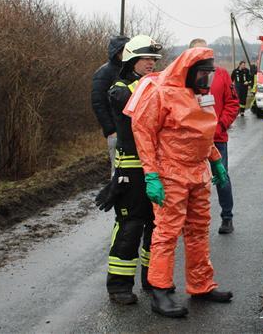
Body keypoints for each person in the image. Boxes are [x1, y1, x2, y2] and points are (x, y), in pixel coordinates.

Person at [130, 46, 233, 318]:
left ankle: (201, 285)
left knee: (199, 230)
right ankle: (160, 291)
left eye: (209, 74)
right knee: (166, 233)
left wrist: (215, 160)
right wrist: (151, 174)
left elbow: (202, 134)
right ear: (188, 71)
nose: (206, 79)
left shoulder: (200, 95)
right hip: (171, 173)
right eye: (202, 74)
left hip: (198, 172)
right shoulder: (161, 93)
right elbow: (143, 132)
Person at [94, 35, 162, 305]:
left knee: (156, 227)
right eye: (146, 59)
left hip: (155, 168)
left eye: (154, 59)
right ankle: (119, 286)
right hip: (131, 170)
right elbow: (140, 107)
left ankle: (153, 278)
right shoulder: (120, 90)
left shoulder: (154, 85)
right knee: (130, 227)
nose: (151, 63)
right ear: (132, 59)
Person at [189, 38, 240, 234]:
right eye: (197, 52)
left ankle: (227, 217)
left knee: (222, 177)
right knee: (189, 180)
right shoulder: (183, 76)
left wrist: (221, 126)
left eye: (205, 51)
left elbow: (233, 103)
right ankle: (188, 221)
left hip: (217, 138)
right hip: (191, 139)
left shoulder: (221, 74)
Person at [91, 35, 129, 176]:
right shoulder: (104, 73)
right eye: (125, 50)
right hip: (116, 131)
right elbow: (98, 103)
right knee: (118, 171)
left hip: (132, 130)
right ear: (117, 52)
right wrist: (110, 130)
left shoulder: (130, 71)